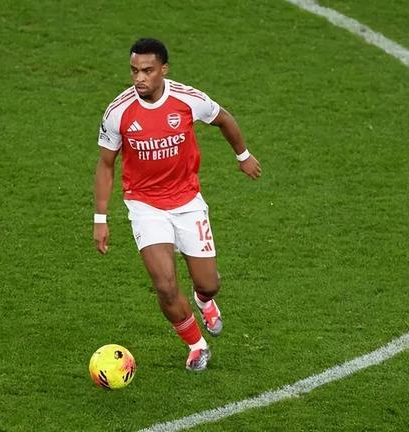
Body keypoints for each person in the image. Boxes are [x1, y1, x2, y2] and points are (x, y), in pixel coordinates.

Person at [93, 38, 261, 371]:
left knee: (209, 283)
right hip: (145, 206)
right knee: (165, 286)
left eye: (147, 71)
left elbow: (224, 119)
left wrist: (243, 156)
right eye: (134, 71)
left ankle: (204, 300)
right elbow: (106, 164)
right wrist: (100, 218)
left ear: (164, 70)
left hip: (187, 202)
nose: (139, 78)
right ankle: (196, 345)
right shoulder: (118, 112)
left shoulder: (187, 99)